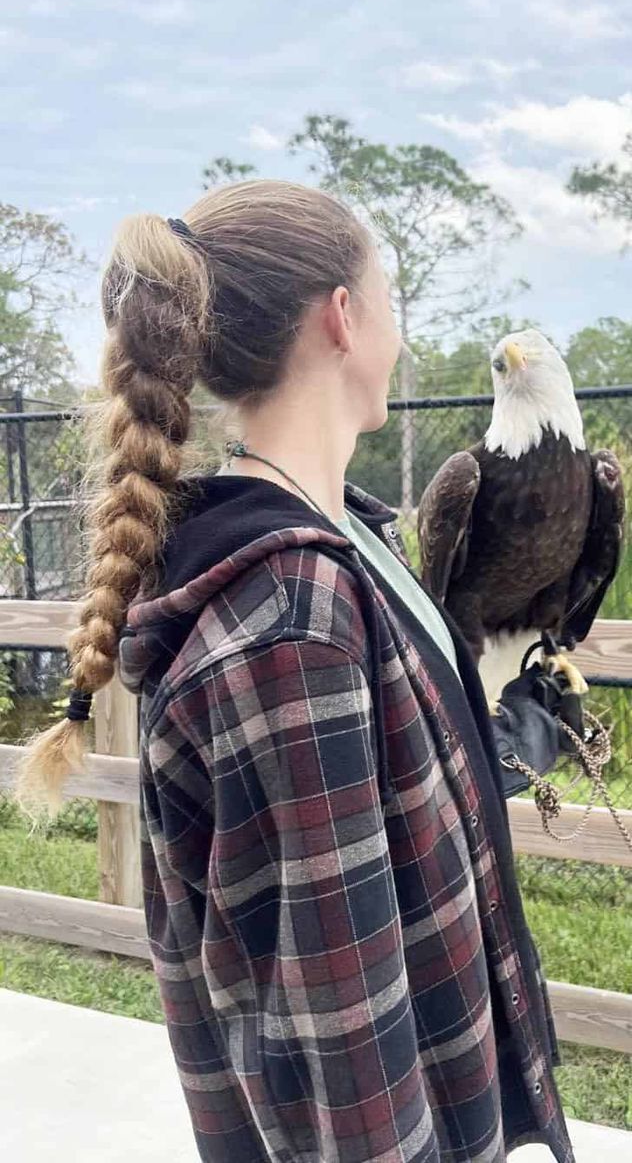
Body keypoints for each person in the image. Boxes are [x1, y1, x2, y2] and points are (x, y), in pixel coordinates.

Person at [16, 180, 580, 1163]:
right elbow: (339, 1034)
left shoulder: (356, 541)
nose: (399, 338)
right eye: (390, 303)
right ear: (342, 317)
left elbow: (395, 793)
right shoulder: (289, 620)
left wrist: (518, 726)